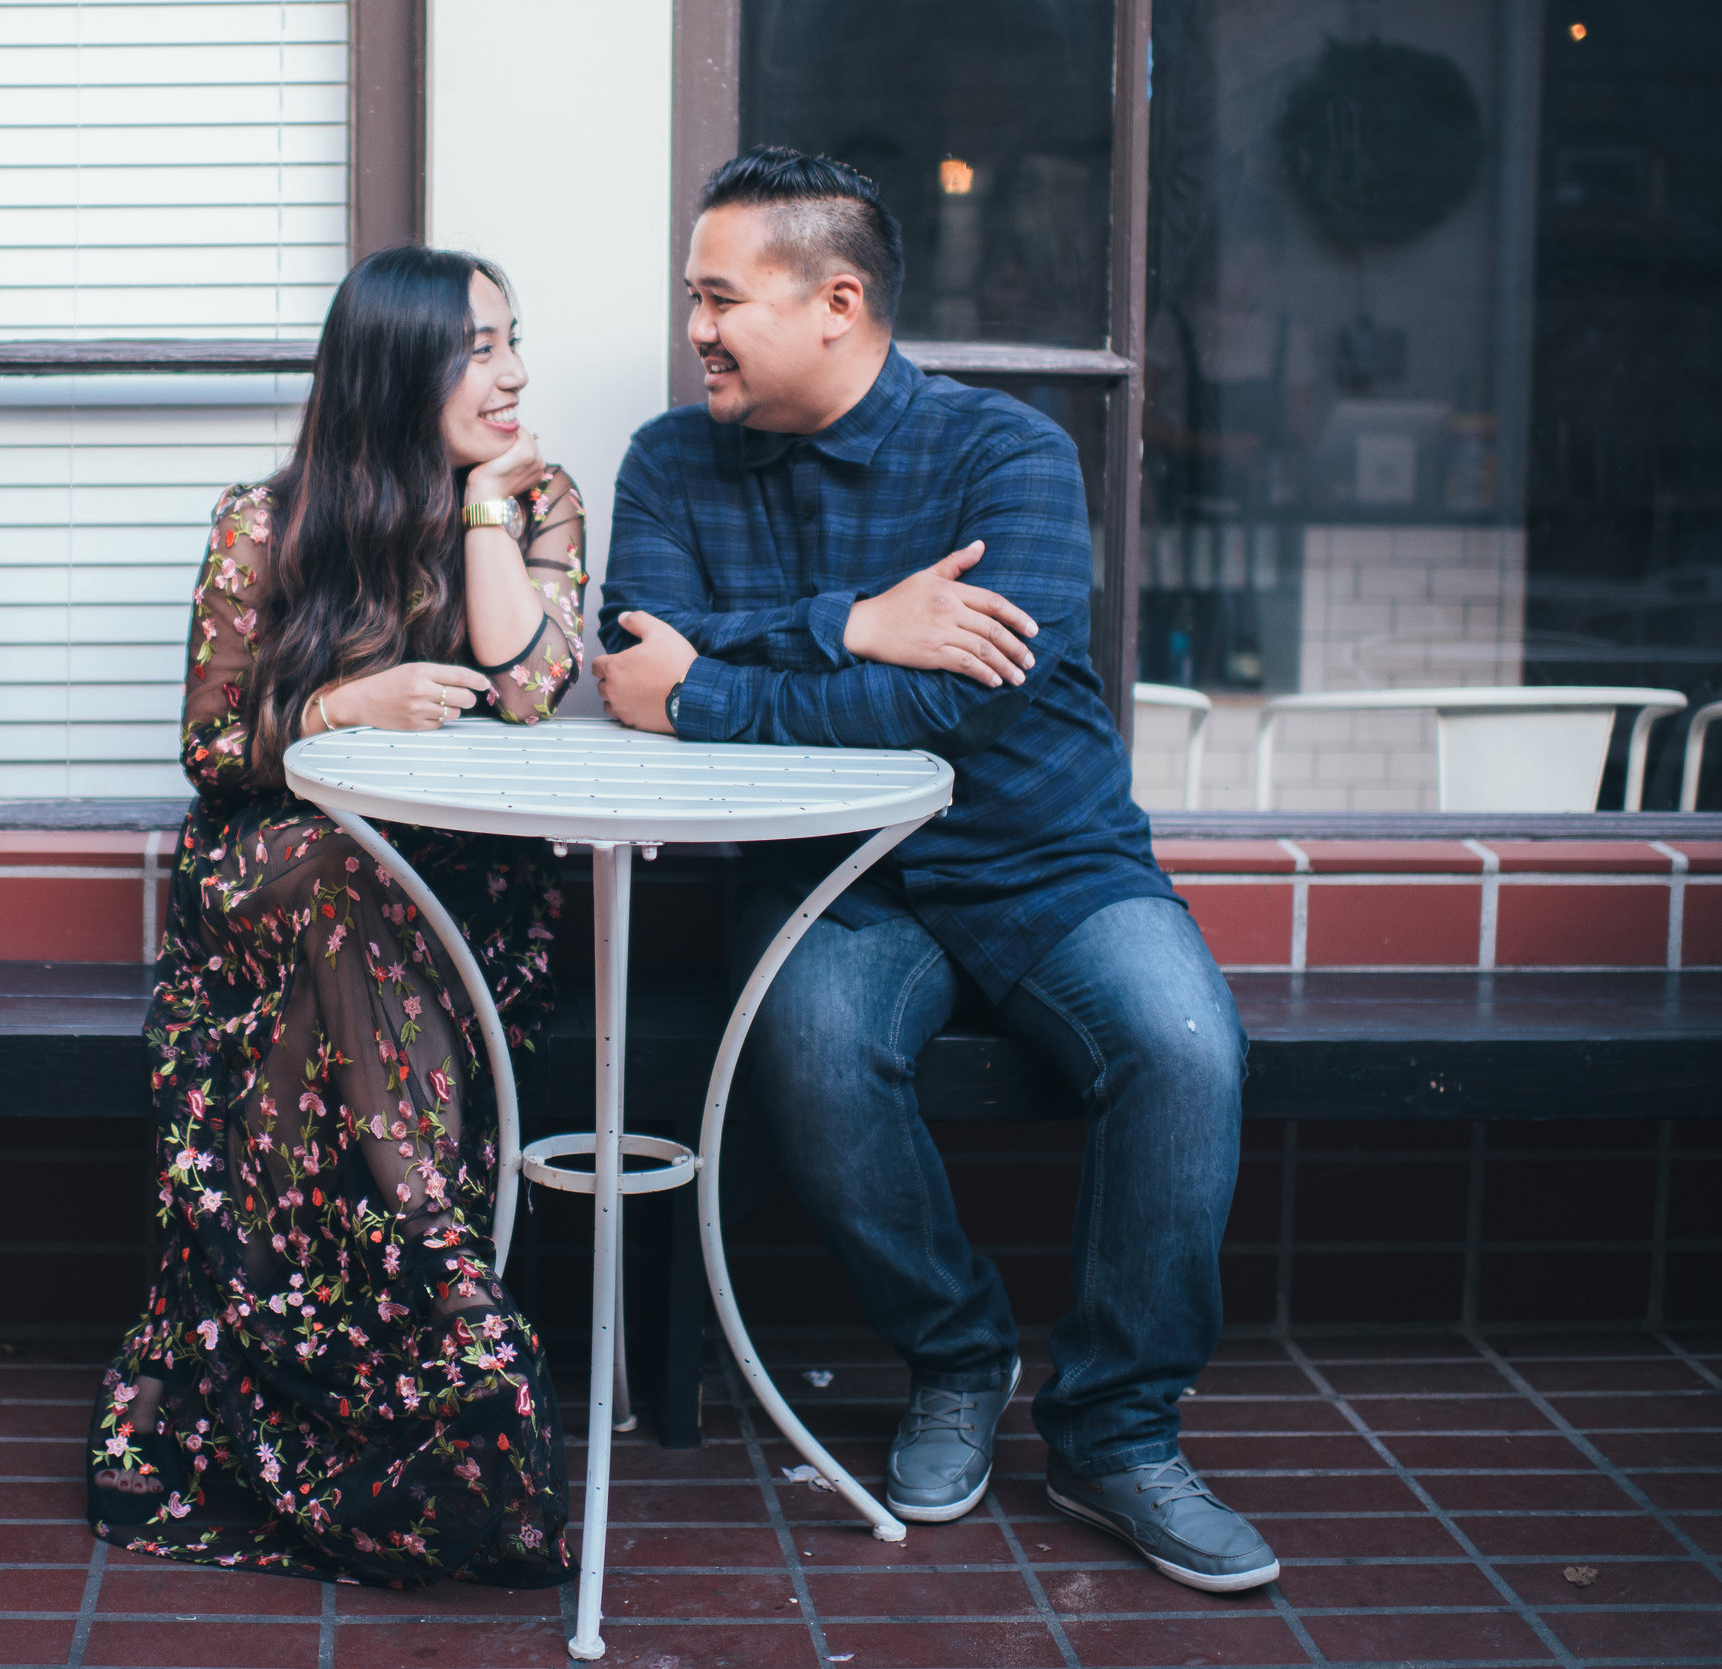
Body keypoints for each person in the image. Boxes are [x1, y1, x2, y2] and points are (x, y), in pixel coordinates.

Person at [592, 148, 1277, 1594]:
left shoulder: (1007, 452)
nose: (696, 327)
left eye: (720, 298)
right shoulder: (669, 460)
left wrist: (724, 674)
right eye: (692, 296)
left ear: (836, 301)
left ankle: (1114, 1428)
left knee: (1187, 1047)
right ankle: (957, 1355)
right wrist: (858, 622)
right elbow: (627, 662)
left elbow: (959, 705)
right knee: (814, 1050)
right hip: (841, 874)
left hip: (1050, 857)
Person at [86, 246, 587, 1589]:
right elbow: (211, 748)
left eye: (513, 340)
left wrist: (486, 514)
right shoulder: (267, 522)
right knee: (330, 872)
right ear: (396, 365)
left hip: (459, 901)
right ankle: (442, 1299)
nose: (515, 371)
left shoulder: (541, 505)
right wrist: (337, 710)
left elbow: (531, 689)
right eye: (481, 346)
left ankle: (310, 1377)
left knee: (354, 914)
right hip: (276, 874)